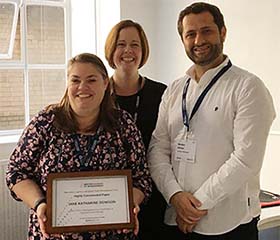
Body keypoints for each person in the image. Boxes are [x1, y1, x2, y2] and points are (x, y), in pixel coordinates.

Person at [148, 2, 276, 240]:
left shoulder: (248, 87)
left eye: (206, 31)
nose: (198, 41)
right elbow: (158, 149)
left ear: (222, 32)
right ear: (183, 39)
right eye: (190, 34)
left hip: (228, 222)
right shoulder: (175, 89)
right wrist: (175, 196)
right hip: (176, 218)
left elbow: (246, 159)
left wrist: (196, 206)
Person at [6, 53, 152, 240]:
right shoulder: (45, 122)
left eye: (91, 80)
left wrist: (127, 207)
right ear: (68, 83)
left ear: (105, 83)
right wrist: (40, 204)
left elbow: (142, 178)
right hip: (54, 235)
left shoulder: (123, 124)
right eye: (75, 80)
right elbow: (16, 173)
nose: (83, 87)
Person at [104, 20, 167, 240]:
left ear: (143, 51)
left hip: (152, 194)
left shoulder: (162, 94)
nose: (128, 51)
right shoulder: (97, 94)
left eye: (135, 45)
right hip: (106, 197)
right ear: (111, 50)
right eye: (121, 44)